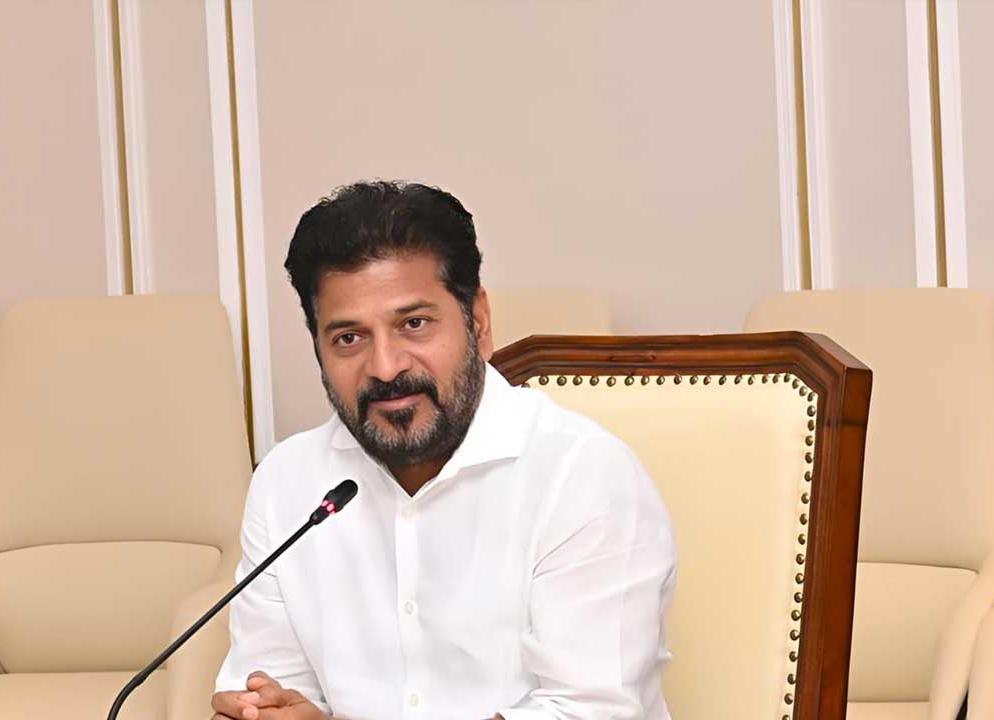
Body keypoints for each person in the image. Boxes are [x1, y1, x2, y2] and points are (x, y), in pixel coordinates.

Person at [211, 181, 676, 720]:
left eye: (414, 324)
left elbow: (589, 711)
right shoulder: (287, 484)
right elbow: (272, 686)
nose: (386, 367)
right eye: (349, 338)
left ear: (478, 323)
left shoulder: (584, 475)